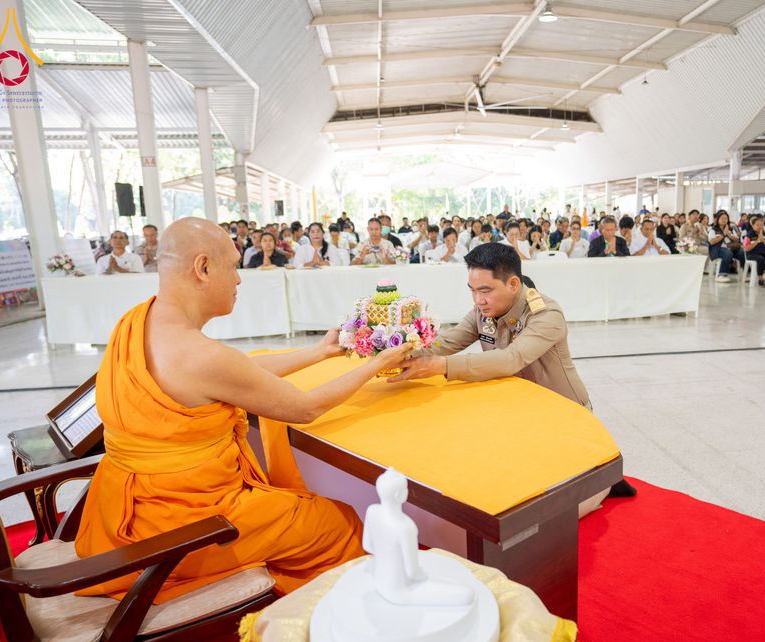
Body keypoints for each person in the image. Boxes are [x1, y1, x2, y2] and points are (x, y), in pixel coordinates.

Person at [74, 217, 412, 603]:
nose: (238, 279)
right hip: (186, 529)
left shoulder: (135, 321)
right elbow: (305, 407)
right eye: (233, 266)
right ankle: (333, 617)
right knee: (339, 523)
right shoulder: (199, 355)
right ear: (203, 268)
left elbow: (238, 375)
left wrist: (319, 352)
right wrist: (376, 365)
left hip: (120, 515)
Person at [387, 243, 635, 503]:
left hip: (564, 415)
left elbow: (511, 359)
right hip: (518, 409)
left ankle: (603, 480)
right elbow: (447, 342)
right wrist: (400, 349)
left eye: (485, 291)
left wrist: (442, 366)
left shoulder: (546, 314)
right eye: (472, 291)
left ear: (514, 284)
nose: (478, 300)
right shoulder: (482, 313)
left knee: (559, 502)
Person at [708, 212, 738, 283]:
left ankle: (744, 272)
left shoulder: (731, 229)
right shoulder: (713, 230)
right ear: (718, 219)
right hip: (717, 249)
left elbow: (737, 239)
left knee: (741, 252)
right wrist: (724, 234)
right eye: (722, 218)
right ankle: (721, 274)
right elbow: (712, 242)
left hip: (731, 247)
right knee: (727, 253)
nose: (724, 220)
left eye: (726, 218)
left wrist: (729, 234)